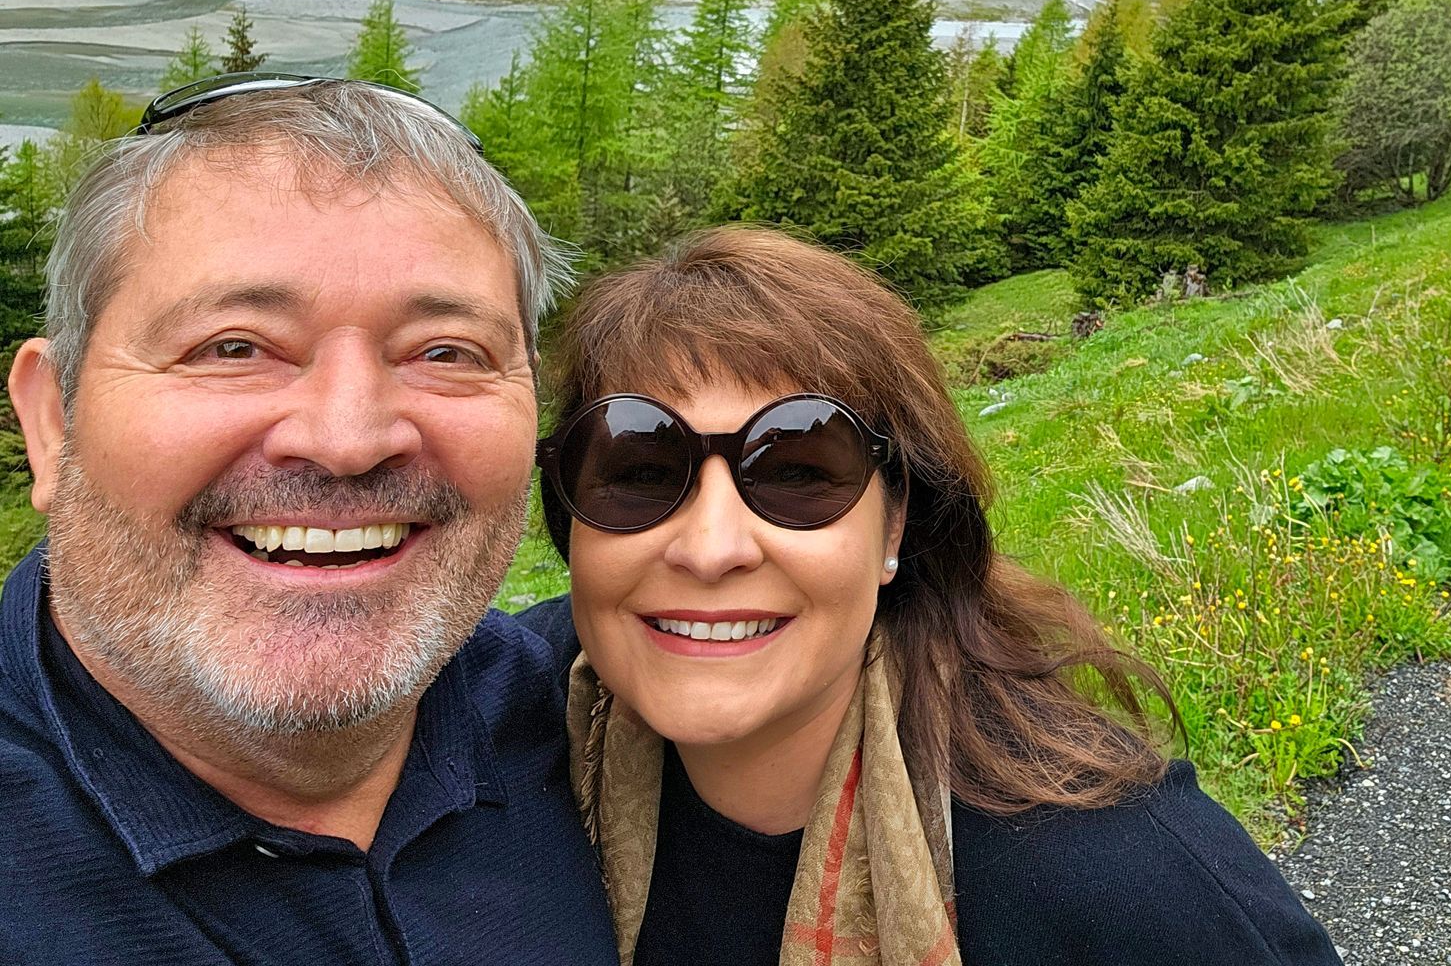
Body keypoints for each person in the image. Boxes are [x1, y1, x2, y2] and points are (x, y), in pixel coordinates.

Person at [537, 226, 1342, 965]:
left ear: (895, 526)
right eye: (640, 475)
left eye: (798, 474)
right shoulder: (504, 732)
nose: (711, 549)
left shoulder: (1119, 879)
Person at [1, 75, 620, 964]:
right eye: (234, 347)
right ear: (52, 422)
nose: (346, 439)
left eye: (445, 353)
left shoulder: (597, 719)